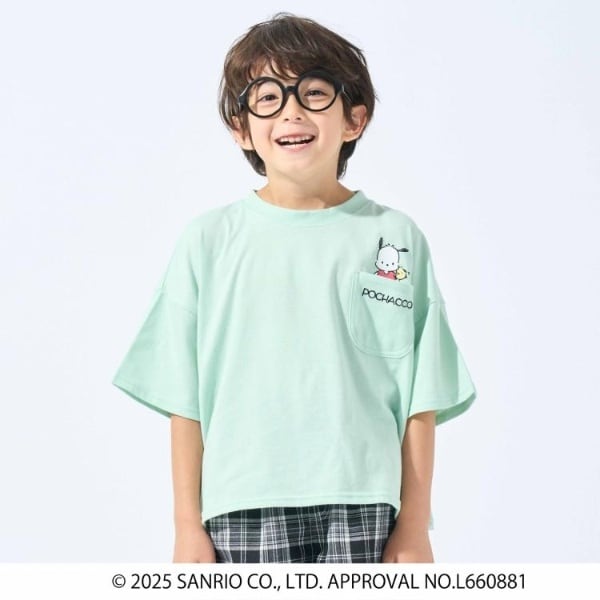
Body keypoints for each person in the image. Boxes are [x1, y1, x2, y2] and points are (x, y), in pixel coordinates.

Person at [112, 12, 477, 563]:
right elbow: (185, 400)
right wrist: (187, 526)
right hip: (242, 504)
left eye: (313, 92)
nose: (291, 111)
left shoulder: (394, 239)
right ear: (241, 128)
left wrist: (413, 525)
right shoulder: (208, 241)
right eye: (268, 96)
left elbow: (419, 397)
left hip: (364, 502)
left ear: (354, 118)